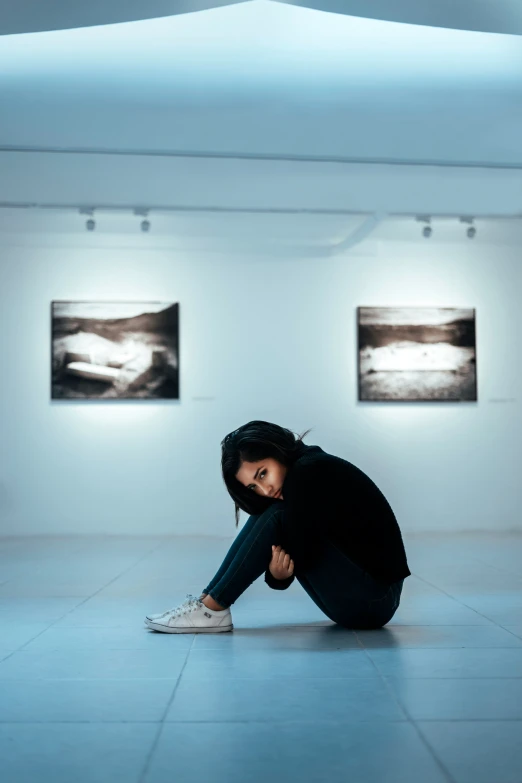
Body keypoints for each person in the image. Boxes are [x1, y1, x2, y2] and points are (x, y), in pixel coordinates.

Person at [144, 420, 411, 634]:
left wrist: (277, 577)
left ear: (277, 451)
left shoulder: (310, 470)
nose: (265, 488)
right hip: (369, 601)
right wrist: (278, 576)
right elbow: (305, 543)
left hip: (372, 601)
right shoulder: (308, 469)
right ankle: (208, 602)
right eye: (253, 486)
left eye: (263, 473)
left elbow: (302, 550)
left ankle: (212, 608)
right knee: (271, 510)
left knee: (276, 513)